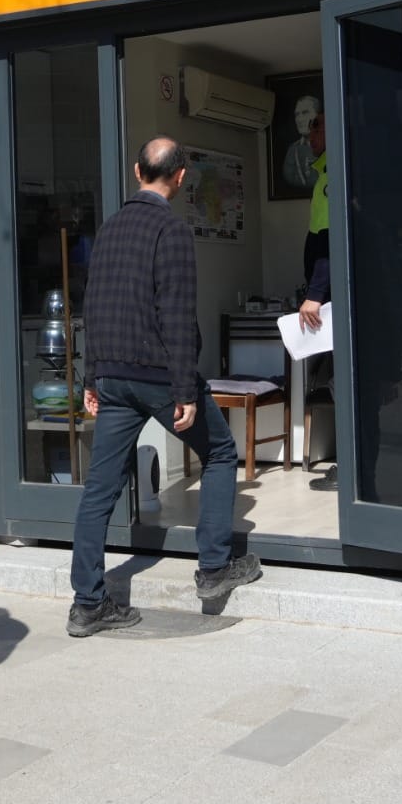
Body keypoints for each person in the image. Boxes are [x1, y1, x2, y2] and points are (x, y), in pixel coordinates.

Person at [68, 136, 261, 637]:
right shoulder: (171, 230)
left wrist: (91, 377)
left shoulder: (109, 229)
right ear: (179, 177)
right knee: (221, 452)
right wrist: (183, 390)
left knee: (99, 489)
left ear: (137, 172)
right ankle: (214, 569)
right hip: (157, 376)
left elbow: (93, 306)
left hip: (112, 377)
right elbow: (175, 314)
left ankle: (87, 604)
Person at [295, 113, 338, 491]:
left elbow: (328, 244)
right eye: (310, 129)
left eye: (318, 128)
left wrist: (315, 295)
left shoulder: (333, 175)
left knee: (343, 379)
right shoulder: (325, 173)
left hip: (334, 299)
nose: (311, 135)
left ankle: (350, 464)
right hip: (331, 297)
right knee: (336, 378)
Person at [282, 94, 324, 189]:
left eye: (305, 112)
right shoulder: (292, 151)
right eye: (297, 114)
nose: (300, 119)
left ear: (318, 116)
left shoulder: (331, 147)